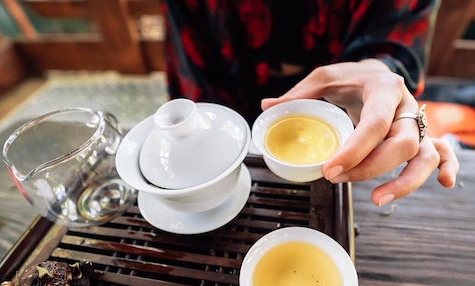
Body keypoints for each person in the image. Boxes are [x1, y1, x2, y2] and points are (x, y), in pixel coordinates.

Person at [158, 0, 459, 206]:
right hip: (224, 98)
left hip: (347, 120)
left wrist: (383, 85)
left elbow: (395, 42)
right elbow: (194, 62)